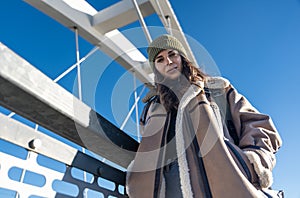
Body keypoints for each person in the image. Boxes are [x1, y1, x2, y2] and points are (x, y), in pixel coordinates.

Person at [126, 34, 283, 198]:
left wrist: (252, 160)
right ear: (156, 68)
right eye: (160, 59)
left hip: (224, 185)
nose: (168, 62)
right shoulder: (151, 109)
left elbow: (260, 125)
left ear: (182, 58)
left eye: (172, 54)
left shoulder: (218, 89)